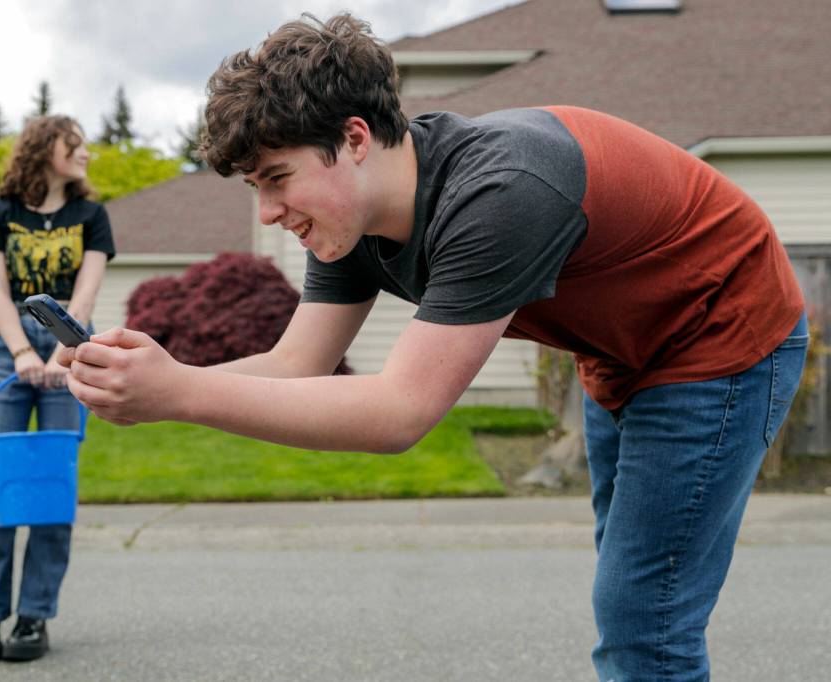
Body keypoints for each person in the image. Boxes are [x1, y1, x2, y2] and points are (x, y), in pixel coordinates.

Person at [59, 14, 807, 681]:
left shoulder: (500, 193)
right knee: (632, 581)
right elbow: (297, 368)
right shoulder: (353, 222)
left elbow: (398, 413)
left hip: (722, 336)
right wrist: (155, 378)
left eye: (278, 178)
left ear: (353, 139)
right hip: (622, 350)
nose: (269, 211)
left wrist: (179, 393)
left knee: (646, 618)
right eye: (256, 186)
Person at [0, 115, 115, 661]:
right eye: (74, 143)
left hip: (68, 343)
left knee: (52, 488)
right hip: (5, 347)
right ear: (43, 147)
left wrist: (61, 351)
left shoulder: (91, 217)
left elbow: (86, 292)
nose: (85, 153)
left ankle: (33, 618)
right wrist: (23, 352)